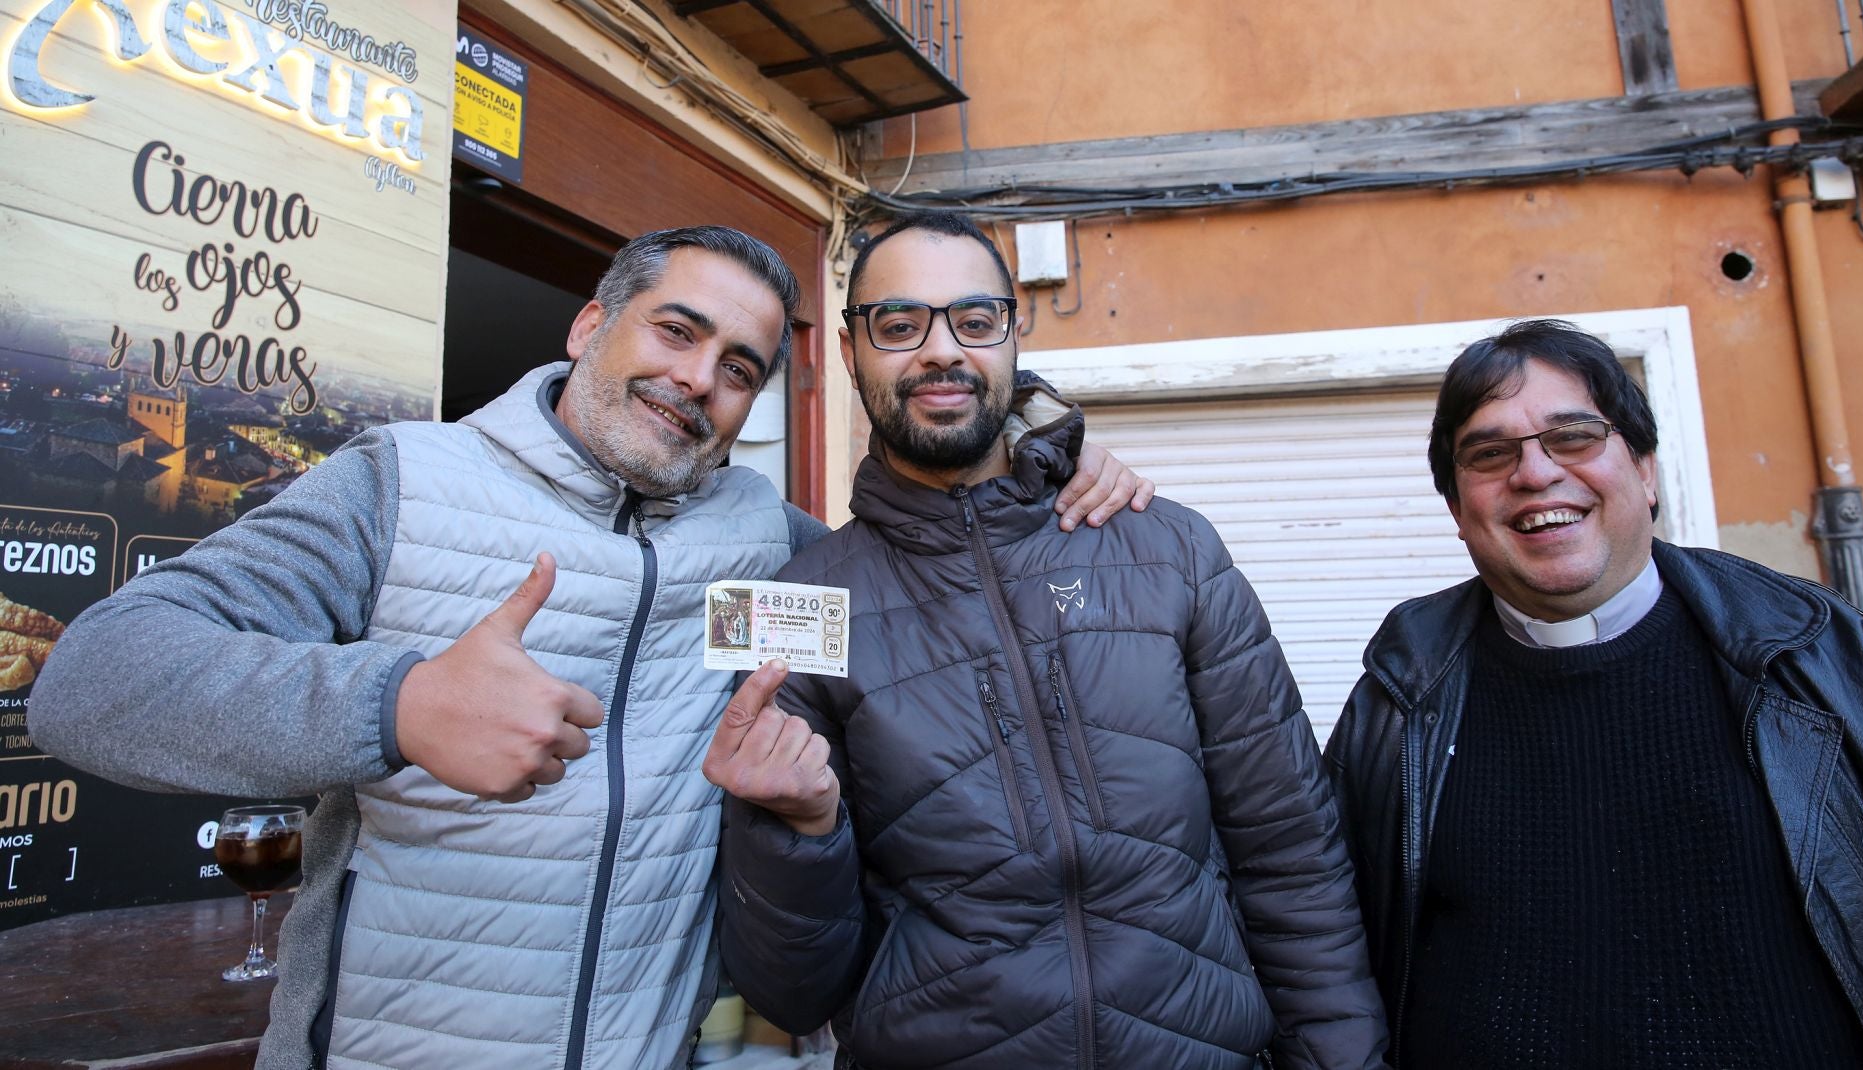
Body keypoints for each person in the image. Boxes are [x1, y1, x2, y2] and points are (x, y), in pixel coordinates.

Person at [27, 225, 1151, 1070]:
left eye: (741, 366)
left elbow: (936, 573)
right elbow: (94, 679)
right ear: (588, 326)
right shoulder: (401, 482)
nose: (698, 378)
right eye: (676, 328)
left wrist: (1047, 455)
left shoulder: (769, 547)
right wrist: (398, 703)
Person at [701, 211, 1388, 1070]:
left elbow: (1291, 853)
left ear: (1014, 334)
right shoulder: (803, 607)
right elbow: (791, 993)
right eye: (899, 323)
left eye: (975, 321)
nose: (941, 350)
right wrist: (796, 833)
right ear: (849, 353)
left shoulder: (1169, 549)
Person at [1324, 319, 1863, 1069]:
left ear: (1644, 469)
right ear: (1456, 509)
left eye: (1573, 436)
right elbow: (1322, 946)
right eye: (1489, 453)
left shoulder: (1816, 651)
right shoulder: (1397, 697)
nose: (1535, 474)